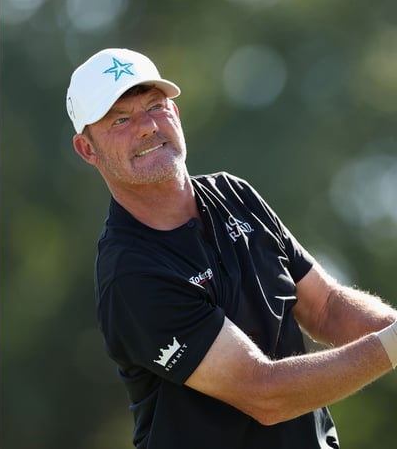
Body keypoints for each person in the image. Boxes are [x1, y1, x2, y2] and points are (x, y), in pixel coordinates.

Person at [66, 47, 397, 448]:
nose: (147, 127)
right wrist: (392, 347)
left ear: (176, 113)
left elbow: (325, 308)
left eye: (155, 106)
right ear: (88, 150)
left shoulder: (234, 193)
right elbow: (265, 393)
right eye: (121, 119)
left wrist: (392, 329)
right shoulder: (131, 273)